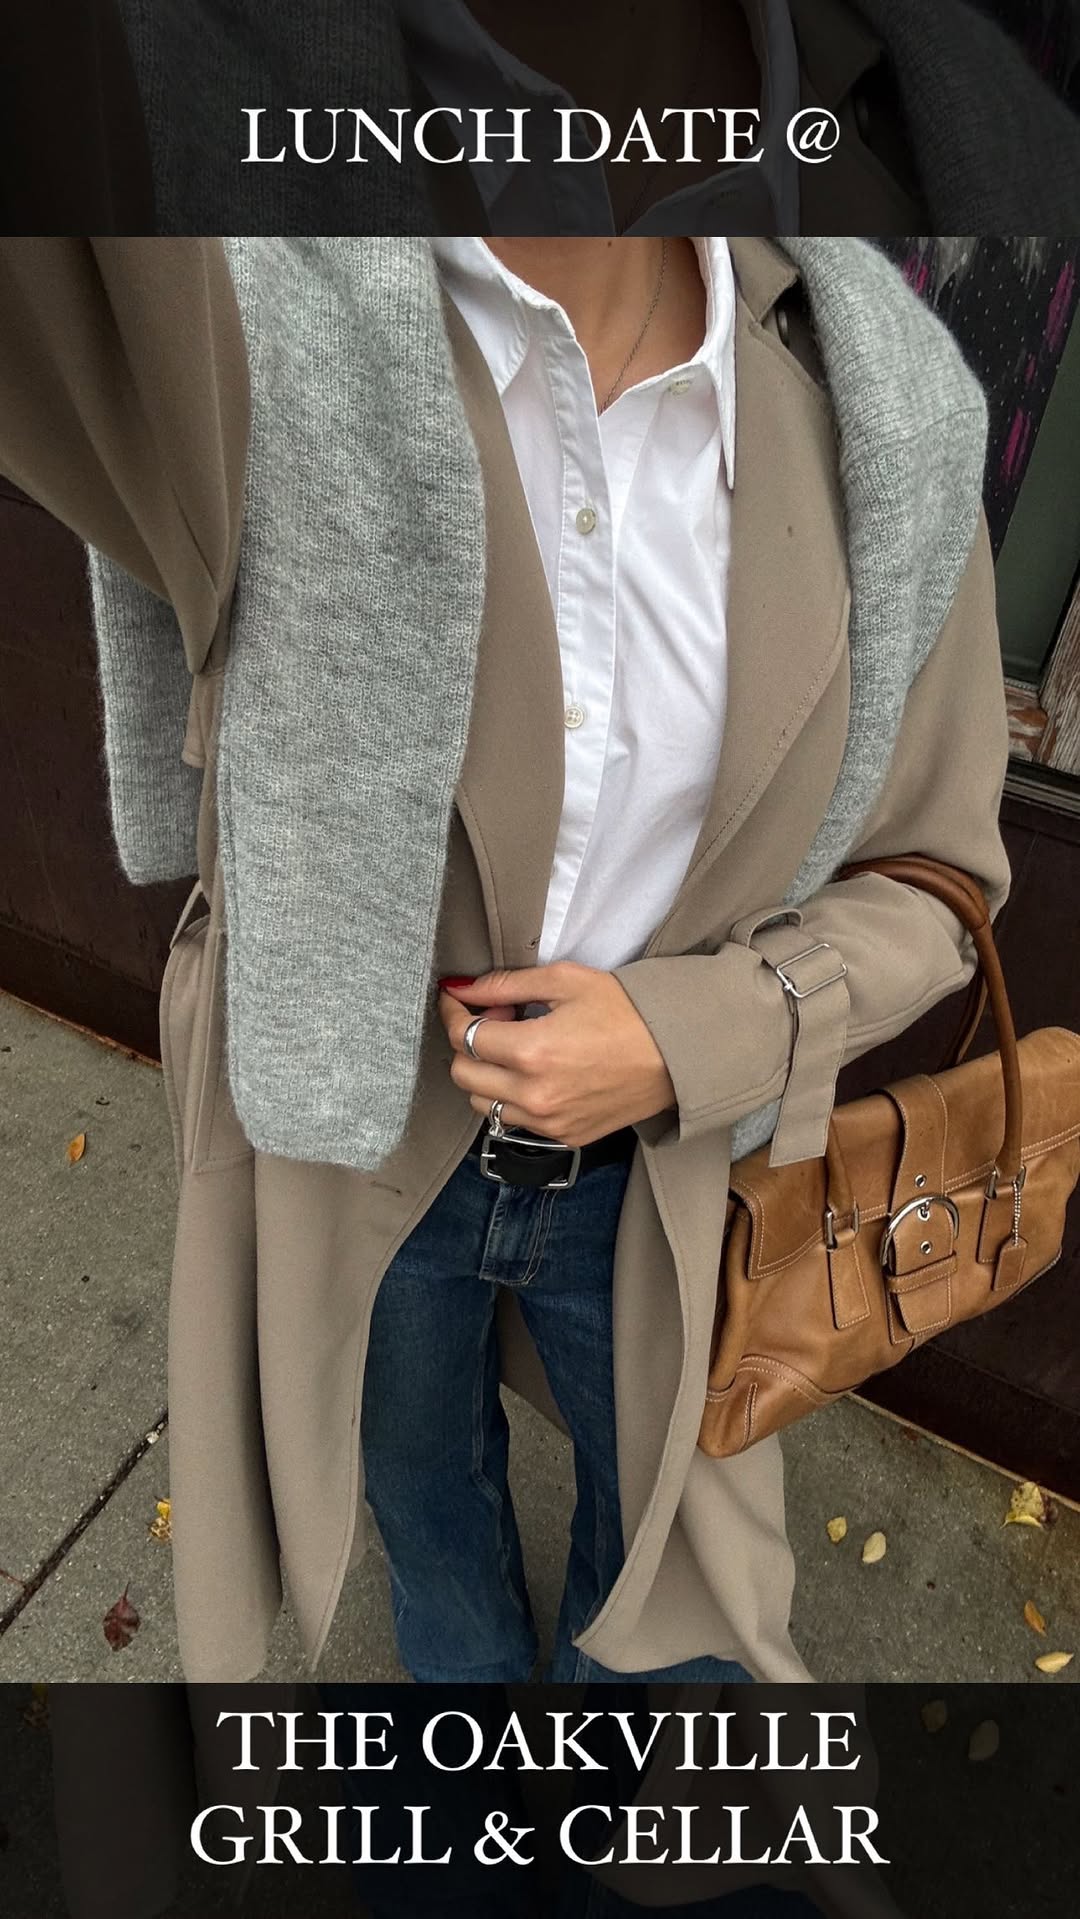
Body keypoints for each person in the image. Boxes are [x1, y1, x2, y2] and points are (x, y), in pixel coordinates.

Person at [0, 233, 1011, 1692]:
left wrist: (695, 1033)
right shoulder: (249, 308)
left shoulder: (880, 409)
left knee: (670, 1570)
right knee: (420, 1495)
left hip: (668, 1176)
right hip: (357, 1139)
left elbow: (937, 877)